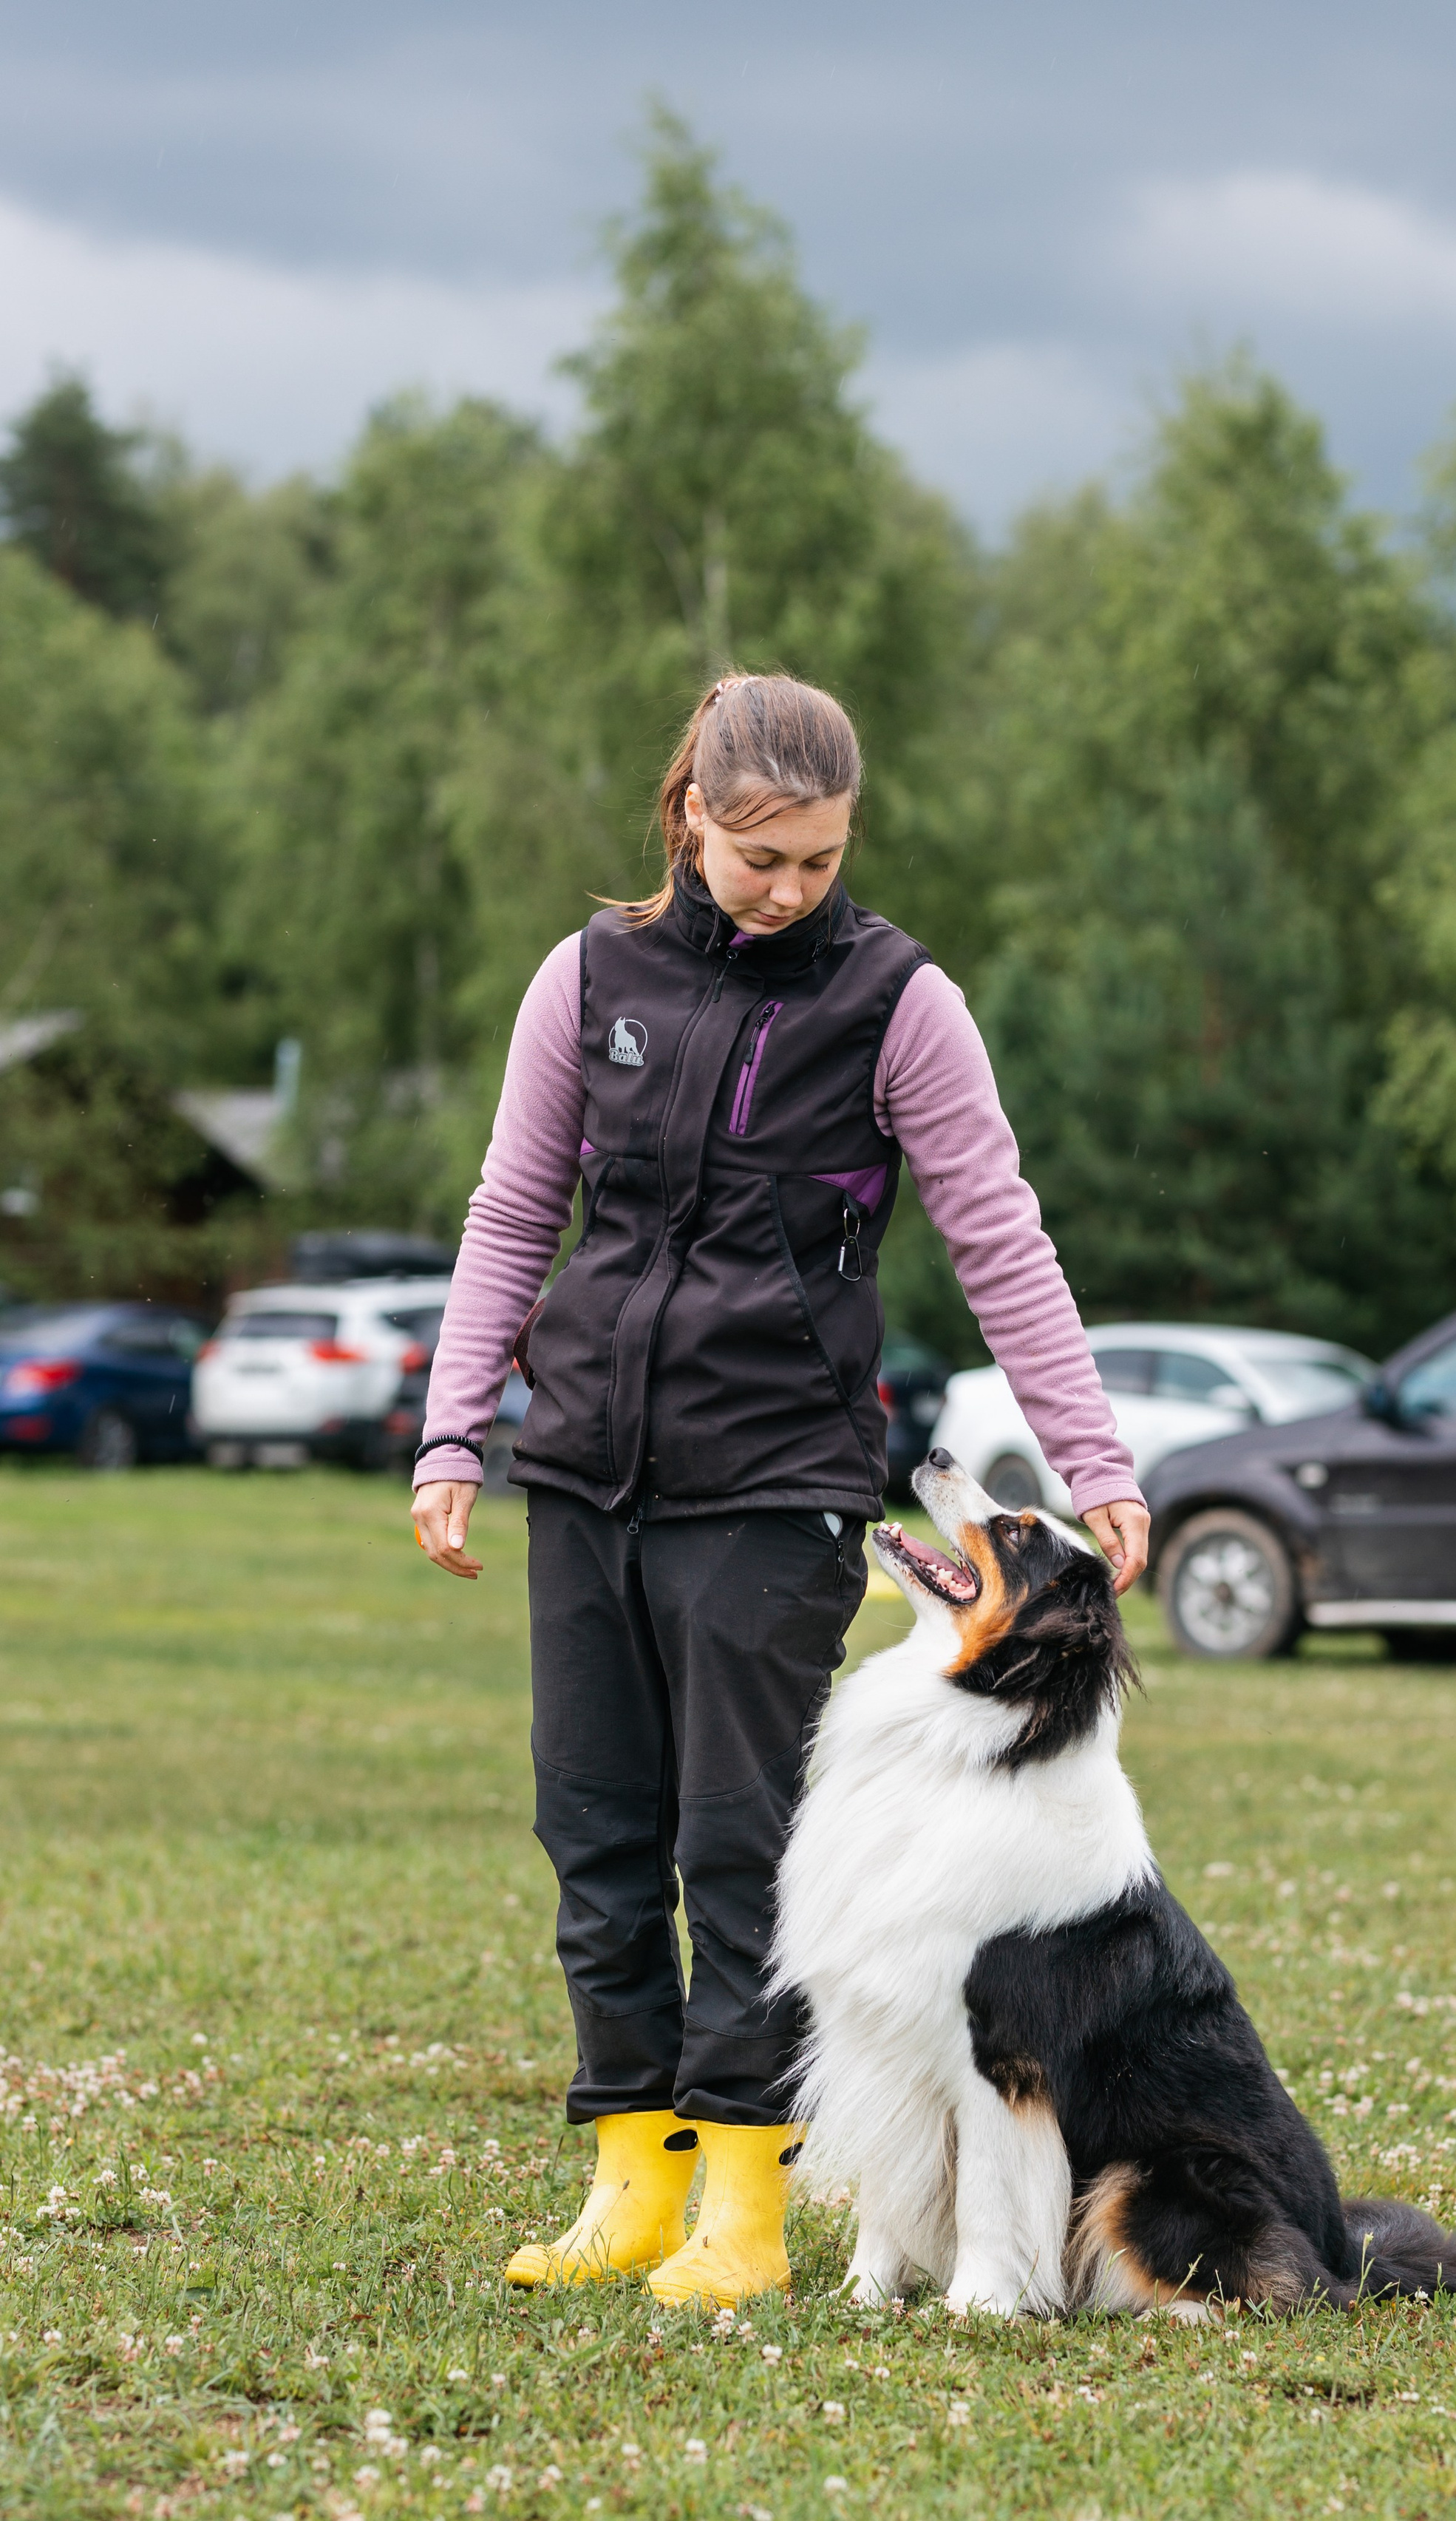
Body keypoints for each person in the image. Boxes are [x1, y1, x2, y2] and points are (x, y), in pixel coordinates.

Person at [412, 671, 1149, 2306]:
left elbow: (998, 1239)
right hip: (587, 1463)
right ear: (689, 816)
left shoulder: (898, 1002)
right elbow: (510, 1209)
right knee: (592, 1831)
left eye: (819, 858)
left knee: (736, 1846)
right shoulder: (585, 974)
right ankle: (630, 2177)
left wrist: (1091, 1458)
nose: (791, 888)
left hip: (775, 1483)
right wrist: (454, 1432)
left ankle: (744, 2197)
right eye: (761, 859)